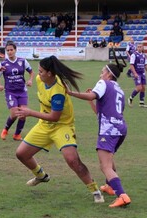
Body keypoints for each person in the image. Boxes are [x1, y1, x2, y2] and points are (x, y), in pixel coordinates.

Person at [14, 55, 104, 203]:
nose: (38, 74)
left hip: (62, 126)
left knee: (72, 160)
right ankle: (41, 176)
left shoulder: (58, 90)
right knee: (21, 154)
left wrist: (29, 112)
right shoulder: (39, 80)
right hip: (44, 125)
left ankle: (94, 190)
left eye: (41, 71)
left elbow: (55, 117)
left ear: (50, 73)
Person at [67, 50, 131, 208]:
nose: (100, 75)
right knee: (109, 159)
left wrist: (71, 93)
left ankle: (122, 195)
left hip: (108, 130)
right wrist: (91, 102)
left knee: (105, 166)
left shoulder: (104, 84)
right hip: (121, 128)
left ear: (109, 74)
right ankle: (109, 186)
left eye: (102, 72)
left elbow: (91, 96)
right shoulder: (119, 90)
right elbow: (104, 112)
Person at [0, 41, 34, 141]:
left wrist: (30, 80)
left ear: (15, 50)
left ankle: (17, 135)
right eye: (7, 50)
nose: (9, 52)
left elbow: (31, 72)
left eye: (11, 50)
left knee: (23, 114)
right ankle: (5, 129)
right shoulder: (3, 63)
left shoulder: (23, 61)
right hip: (10, 92)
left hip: (22, 91)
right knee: (14, 114)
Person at [127, 43, 147, 108]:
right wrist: (134, 73)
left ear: (143, 48)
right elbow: (131, 65)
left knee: (143, 87)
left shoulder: (144, 55)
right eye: (138, 47)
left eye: (140, 47)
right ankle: (130, 98)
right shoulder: (134, 55)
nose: (139, 48)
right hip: (137, 73)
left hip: (142, 73)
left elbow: (145, 65)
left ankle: (141, 103)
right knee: (139, 88)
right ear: (136, 48)